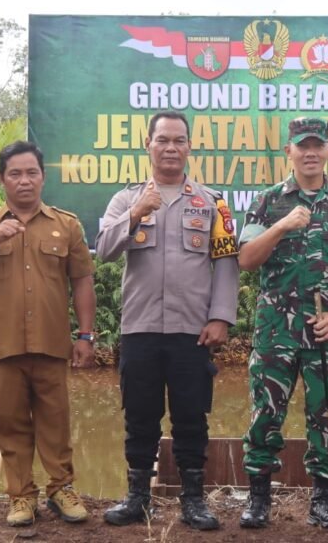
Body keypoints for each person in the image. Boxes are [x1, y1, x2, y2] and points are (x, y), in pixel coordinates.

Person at [95, 110, 238, 531]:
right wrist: (137, 212)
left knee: (191, 417)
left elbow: (227, 263)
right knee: (139, 415)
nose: (171, 148)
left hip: (191, 332)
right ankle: (138, 497)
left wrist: (221, 318)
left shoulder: (212, 202)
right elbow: (103, 249)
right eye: (163, 140)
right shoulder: (126, 199)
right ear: (148, 145)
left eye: (179, 140)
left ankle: (193, 500)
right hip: (139, 329)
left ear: (190, 146)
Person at [0, 141, 96, 527]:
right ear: (1, 179)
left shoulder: (66, 224)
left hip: (51, 343)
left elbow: (82, 281)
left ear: (43, 177)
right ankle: (21, 497)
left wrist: (86, 336)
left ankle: (61, 488)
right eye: (15, 173)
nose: (24, 180)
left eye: (31, 172)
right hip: (1, 345)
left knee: (56, 420)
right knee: (9, 422)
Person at [237, 117, 328, 531]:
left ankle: (324, 503)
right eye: (302, 145)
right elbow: (246, 259)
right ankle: (259, 500)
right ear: (288, 151)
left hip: (323, 332)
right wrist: (281, 226)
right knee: (266, 412)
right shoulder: (266, 202)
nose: (310, 152)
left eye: (318, 145)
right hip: (275, 330)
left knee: (326, 416)